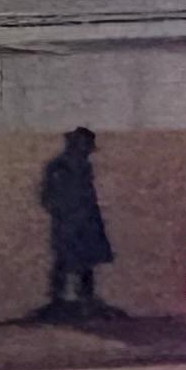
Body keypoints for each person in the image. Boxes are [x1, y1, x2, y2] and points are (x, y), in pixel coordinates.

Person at [41, 125, 116, 317]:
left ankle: (84, 297)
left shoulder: (80, 166)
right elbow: (48, 197)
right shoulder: (59, 167)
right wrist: (64, 213)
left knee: (85, 260)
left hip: (84, 220)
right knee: (66, 259)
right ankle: (61, 298)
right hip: (70, 221)